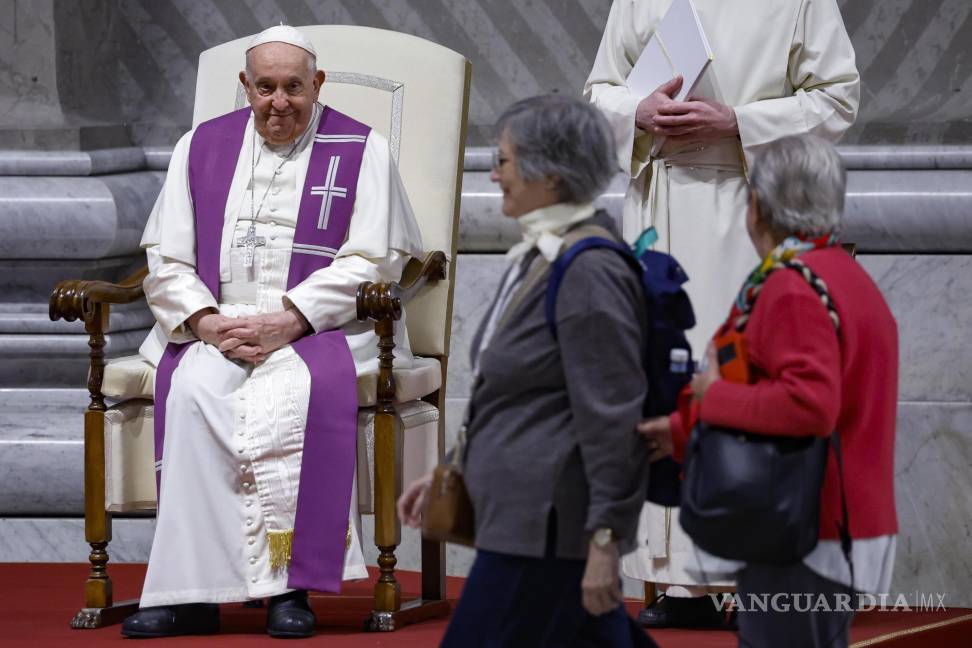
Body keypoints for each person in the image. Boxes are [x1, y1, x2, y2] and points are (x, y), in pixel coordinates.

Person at [121, 26, 423, 639]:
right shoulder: (200, 146)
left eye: (293, 87)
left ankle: (292, 589)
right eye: (265, 88)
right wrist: (205, 322)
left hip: (317, 324)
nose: (278, 102)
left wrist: (291, 318)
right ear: (245, 87)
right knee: (196, 394)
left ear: (319, 85)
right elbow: (167, 259)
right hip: (220, 321)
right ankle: (192, 593)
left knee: (293, 397)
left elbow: (374, 261)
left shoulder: (360, 150)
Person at [584, 0, 861, 626]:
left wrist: (737, 121)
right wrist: (638, 111)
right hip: (658, 206)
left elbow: (838, 99)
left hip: (750, 211)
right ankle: (684, 585)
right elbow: (599, 90)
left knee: (742, 385)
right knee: (665, 383)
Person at [398, 95, 655, 648]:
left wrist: (606, 543)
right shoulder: (544, 255)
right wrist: (456, 468)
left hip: (545, 530)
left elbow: (613, 422)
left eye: (505, 161)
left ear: (552, 174)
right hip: (524, 521)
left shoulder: (589, 268)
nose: (494, 175)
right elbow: (513, 396)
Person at [641, 134, 898, 647]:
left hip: (806, 528)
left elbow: (808, 405)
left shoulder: (790, 286)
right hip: (836, 521)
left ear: (756, 205)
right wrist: (677, 430)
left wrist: (710, 400)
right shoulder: (840, 272)